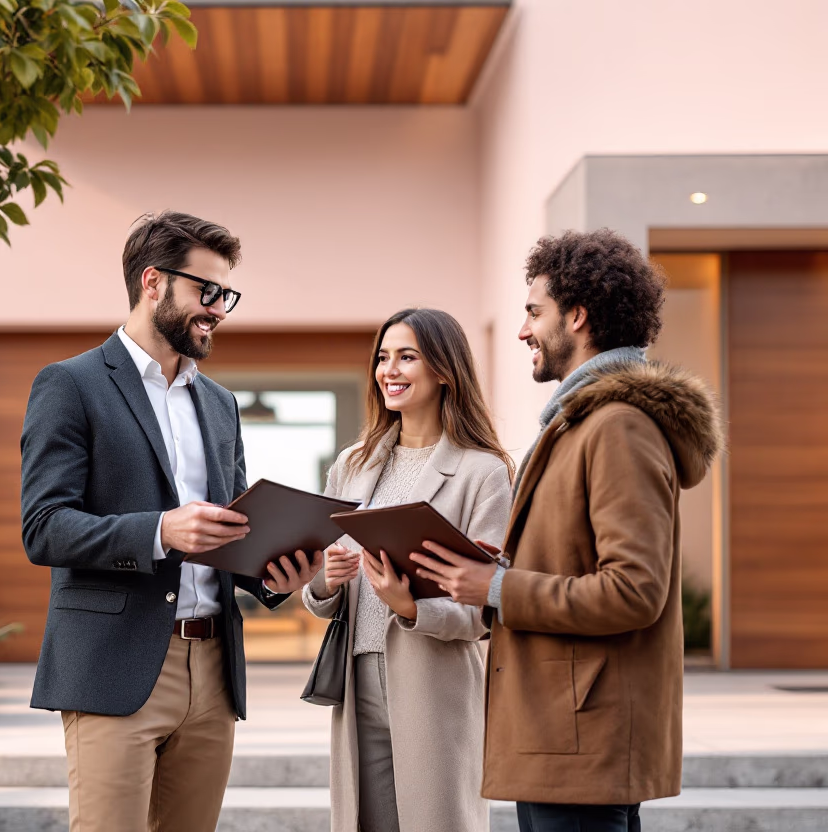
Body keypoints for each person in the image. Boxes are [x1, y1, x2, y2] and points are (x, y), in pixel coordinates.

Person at [20, 210, 322, 832]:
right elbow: (44, 526)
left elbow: (233, 528)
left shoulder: (219, 402)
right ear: (153, 283)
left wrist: (276, 575)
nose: (219, 310)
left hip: (212, 673)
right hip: (115, 667)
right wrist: (160, 531)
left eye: (226, 295)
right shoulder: (70, 385)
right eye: (206, 292)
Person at [413, 229, 724, 832]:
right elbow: (574, 561)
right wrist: (497, 568)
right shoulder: (580, 423)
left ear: (577, 317)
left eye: (534, 313)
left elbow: (634, 589)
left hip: (583, 735)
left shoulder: (618, 427)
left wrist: (496, 589)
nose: (525, 331)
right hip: (563, 730)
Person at [302, 308, 514, 832]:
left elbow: (487, 609)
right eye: (382, 357)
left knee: (437, 822)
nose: (389, 370)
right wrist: (326, 578)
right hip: (357, 682)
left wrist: (412, 607)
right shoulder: (352, 465)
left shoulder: (483, 473)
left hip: (434, 682)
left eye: (406, 357)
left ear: (444, 370)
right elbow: (317, 586)